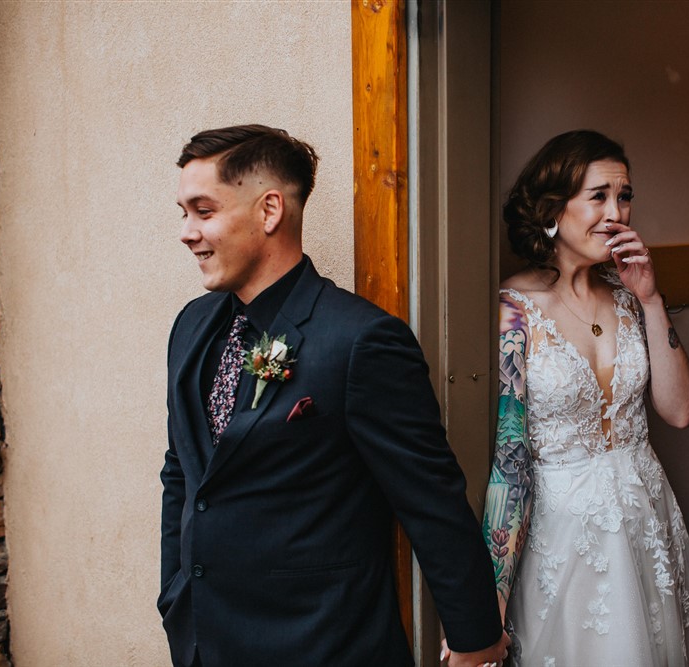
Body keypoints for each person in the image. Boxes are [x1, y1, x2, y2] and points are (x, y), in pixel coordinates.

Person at [160, 124, 508, 667]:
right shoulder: (191, 326)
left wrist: (475, 639)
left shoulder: (361, 341)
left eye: (203, 211)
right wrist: (175, 594)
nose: (186, 231)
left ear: (269, 210)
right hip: (204, 641)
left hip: (321, 644)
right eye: (183, 212)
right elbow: (182, 473)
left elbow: (431, 502)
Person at [481, 130, 689, 665]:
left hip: (646, 524)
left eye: (625, 196)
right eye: (598, 196)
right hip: (565, 539)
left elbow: (680, 412)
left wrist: (651, 298)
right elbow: (510, 463)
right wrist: (488, 606)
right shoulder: (512, 314)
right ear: (552, 208)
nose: (617, 213)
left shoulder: (628, 297)